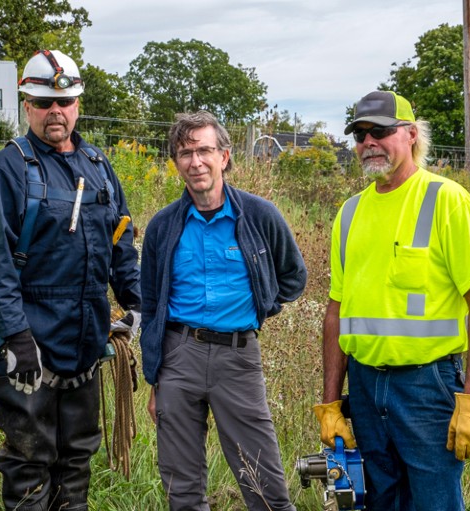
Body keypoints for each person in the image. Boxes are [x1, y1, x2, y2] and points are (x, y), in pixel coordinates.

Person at [315, 90, 470, 510]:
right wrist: (330, 402)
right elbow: (337, 310)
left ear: (410, 135)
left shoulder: (446, 199)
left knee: (434, 502)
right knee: (379, 500)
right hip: (365, 387)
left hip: (426, 386)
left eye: (380, 131)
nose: (368, 142)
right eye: (360, 134)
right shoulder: (349, 213)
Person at [0, 49, 141, 511]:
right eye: (44, 103)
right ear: (26, 104)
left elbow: (120, 240)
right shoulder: (4, 170)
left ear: (78, 103)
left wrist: (136, 301)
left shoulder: (98, 166)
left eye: (64, 102)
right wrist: (15, 335)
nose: (55, 112)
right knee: (30, 462)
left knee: (76, 459)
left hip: (85, 339)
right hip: (30, 345)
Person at [140, 110, 306, 511]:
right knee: (181, 488)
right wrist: (155, 378)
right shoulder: (163, 226)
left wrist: (260, 307)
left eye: (204, 150)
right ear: (176, 162)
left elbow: (292, 277)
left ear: (224, 156)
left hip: (238, 357)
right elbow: (150, 303)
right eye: (185, 153)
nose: (195, 162)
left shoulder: (259, 216)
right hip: (179, 356)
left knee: (264, 485)